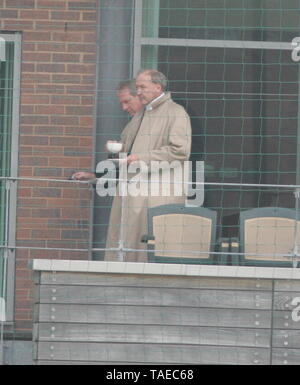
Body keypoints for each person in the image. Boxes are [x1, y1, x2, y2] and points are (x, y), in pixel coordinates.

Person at [105, 69, 192, 262]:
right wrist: (119, 151)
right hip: (133, 192)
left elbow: (180, 151)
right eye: (137, 87)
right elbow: (129, 149)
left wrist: (140, 159)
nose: (139, 91)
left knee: (147, 248)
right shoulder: (142, 114)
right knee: (127, 244)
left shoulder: (175, 113)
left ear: (158, 87)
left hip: (156, 195)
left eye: (143, 87)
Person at [72, 80, 143, 182]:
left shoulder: (157, 122)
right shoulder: (131, 126)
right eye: (122, 103)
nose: (124, 108)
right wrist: (95, 176)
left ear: (141, 96)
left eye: (127, 101)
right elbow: (124, 169)